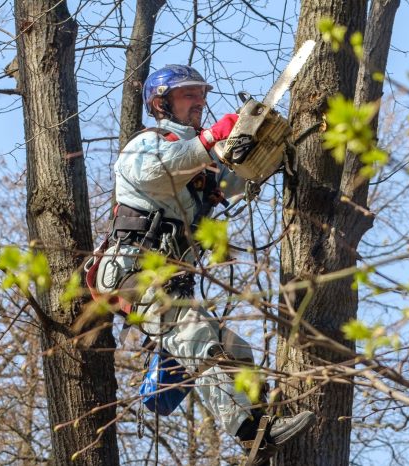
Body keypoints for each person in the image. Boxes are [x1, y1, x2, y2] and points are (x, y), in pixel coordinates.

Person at [95, 64, 314, 463]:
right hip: (133, 270)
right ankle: (250, 433)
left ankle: (262, 421)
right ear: (162, 104)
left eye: (200, 94)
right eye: (187, 95)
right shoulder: (148, 144)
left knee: (238, 351)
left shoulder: (202, 164)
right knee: (200, 340)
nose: (198, 102)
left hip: (171, 279)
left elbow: (232, 181)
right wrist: (214, 138)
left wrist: (258, 152)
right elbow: (158, 172)